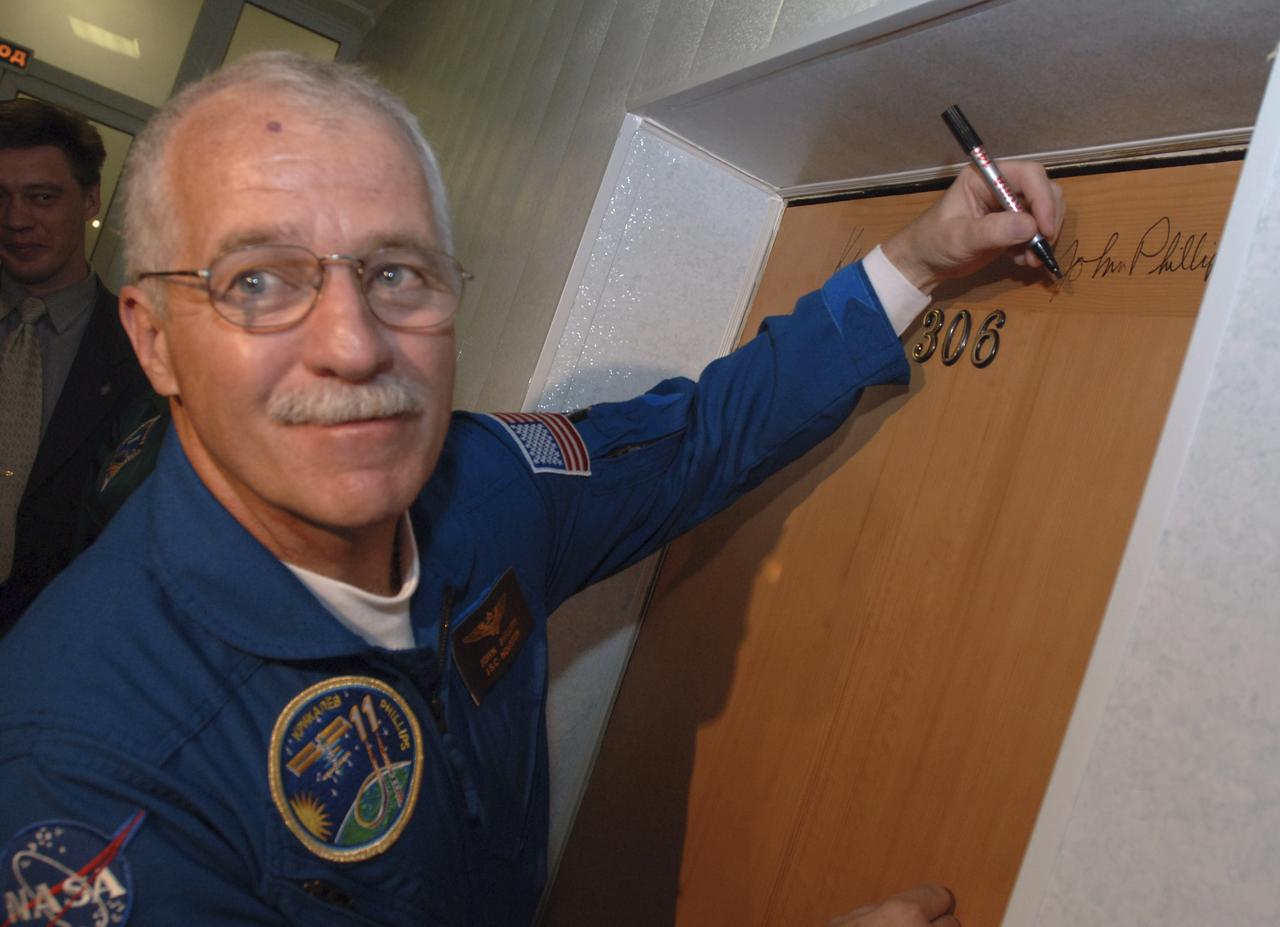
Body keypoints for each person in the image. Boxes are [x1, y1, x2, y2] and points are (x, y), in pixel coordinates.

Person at [0, 52, 1061, 926]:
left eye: (395, 273)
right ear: (153, 340)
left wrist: (918, 259)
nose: (352, 343)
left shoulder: (484, 486)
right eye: (258, 282)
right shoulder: (82, 763)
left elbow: (695, 440)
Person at [0, 99, 152, 634]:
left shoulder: (142, 357)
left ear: (91, 198)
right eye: (1, 196)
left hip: (34, 640)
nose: (16, 219)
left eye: (42, 197)